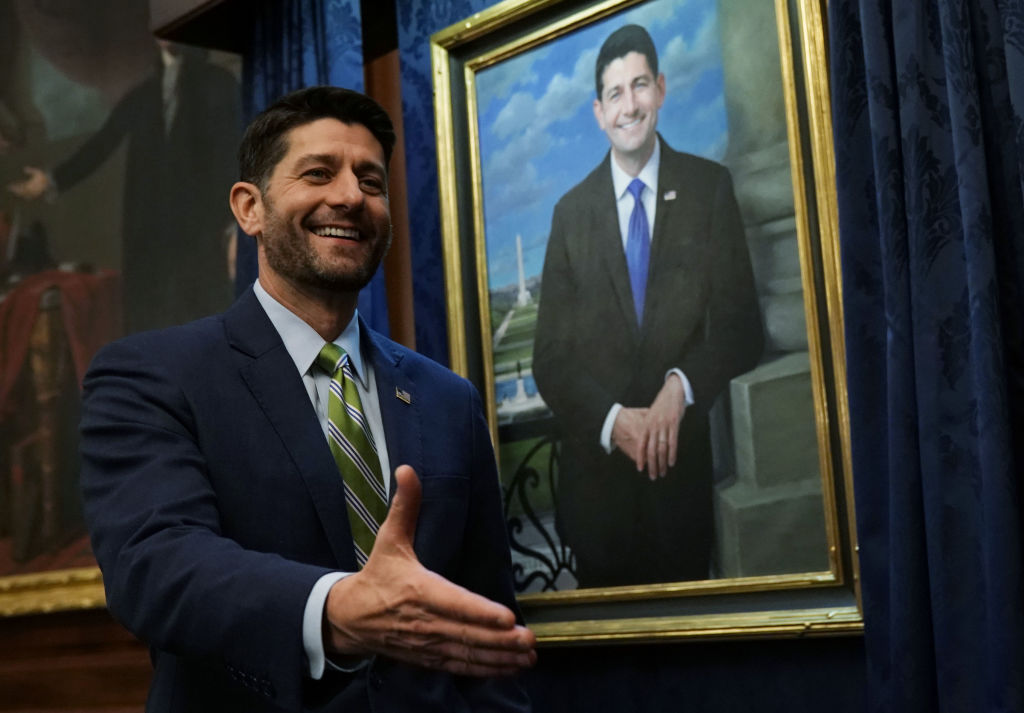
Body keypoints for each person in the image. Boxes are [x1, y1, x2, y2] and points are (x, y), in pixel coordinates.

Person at [79, 86, 535, 712]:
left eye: (370, 181)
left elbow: (491, 631)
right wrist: (337, 609)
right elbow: (156, 568)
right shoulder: (151, 376)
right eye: (318, 172)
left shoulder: (448, 399)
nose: (349, 196)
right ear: (250, 208)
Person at [532, 25, 764, 588]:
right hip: (597, 503)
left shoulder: (710, 189)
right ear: (597, 111)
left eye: (640, 86)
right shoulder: (570, 214)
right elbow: (550, 361)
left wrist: (678, 386)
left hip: (681, 490)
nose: (629, 105)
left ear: (660, 89)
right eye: (615, 93)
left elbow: (740, 328)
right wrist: (616, 422)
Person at [7, 41, 238, 333]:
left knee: (203, 316)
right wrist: (52, 179)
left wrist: (233, 226)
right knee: (155, 322)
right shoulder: (144, 94)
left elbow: (233, 155)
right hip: (150, 233)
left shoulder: (218, 83)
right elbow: (102, 144)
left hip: (202, 231)